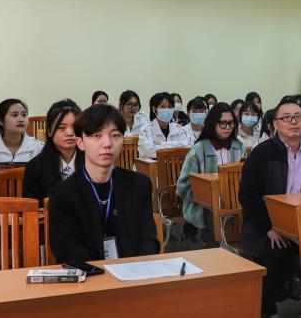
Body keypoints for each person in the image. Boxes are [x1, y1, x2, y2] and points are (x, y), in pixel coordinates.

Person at [239, 99, 301, 318]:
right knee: (277, 250)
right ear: (275, 124)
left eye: (297, 117)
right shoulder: (262, 153)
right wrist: (269, 226)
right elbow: (248, 196)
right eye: (286, 118)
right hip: (267, 224)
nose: (293, 122)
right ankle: (264, 312)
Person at [48, 103, 159, 263]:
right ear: (80, 142)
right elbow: (68, 251)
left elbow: (148, 240)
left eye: (115, 135)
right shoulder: (63, 194)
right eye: (96, 135)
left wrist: (136, 270)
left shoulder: (139, 185)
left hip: (133, 273)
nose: (107, 143)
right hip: (89, 275)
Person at [176, 102, 246, 244]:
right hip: (204, 207)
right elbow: (183, 185)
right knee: (212, 223)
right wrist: (206, 196)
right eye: (223, 123)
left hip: (234, 204)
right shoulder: (198, 149)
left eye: (231, 123)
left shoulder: (239, 147)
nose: (228, 127)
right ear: (213, 123)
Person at [23, 99, 83, 203]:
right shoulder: (34, 167)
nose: (69, 133)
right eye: (62, 127)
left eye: (74, 127)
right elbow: (33, 208)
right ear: (49, 131)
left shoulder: (94, 163)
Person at [0, 99, 43, 171]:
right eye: (15, 115)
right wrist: (28, 167)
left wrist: (0, 166)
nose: (21, 119)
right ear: (0, 121)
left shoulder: (38, 146)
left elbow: (45, 171)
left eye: (24, 115)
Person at [138, 92, 190, 158]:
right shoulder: (146, 130)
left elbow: (187, 147)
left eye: (170, 107)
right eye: (162, 107)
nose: (167, 109)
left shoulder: (179, 128)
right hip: (153, 164)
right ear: (154, 109)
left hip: (174, 164)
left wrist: (161, 144)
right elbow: (149, 151)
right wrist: (176, 146)